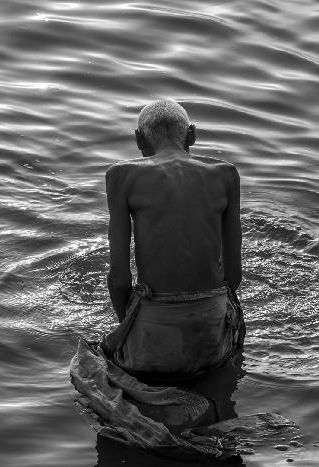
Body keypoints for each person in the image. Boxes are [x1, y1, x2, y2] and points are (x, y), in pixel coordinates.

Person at [102, 99, 245, 382]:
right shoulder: (226, 174)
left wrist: (127, 326)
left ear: (139, 139)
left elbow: (119, 279)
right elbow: (233, 276)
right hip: (212, 331)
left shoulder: (121, 176)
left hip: (154, 333)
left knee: (97, 361)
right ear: (192, 134)